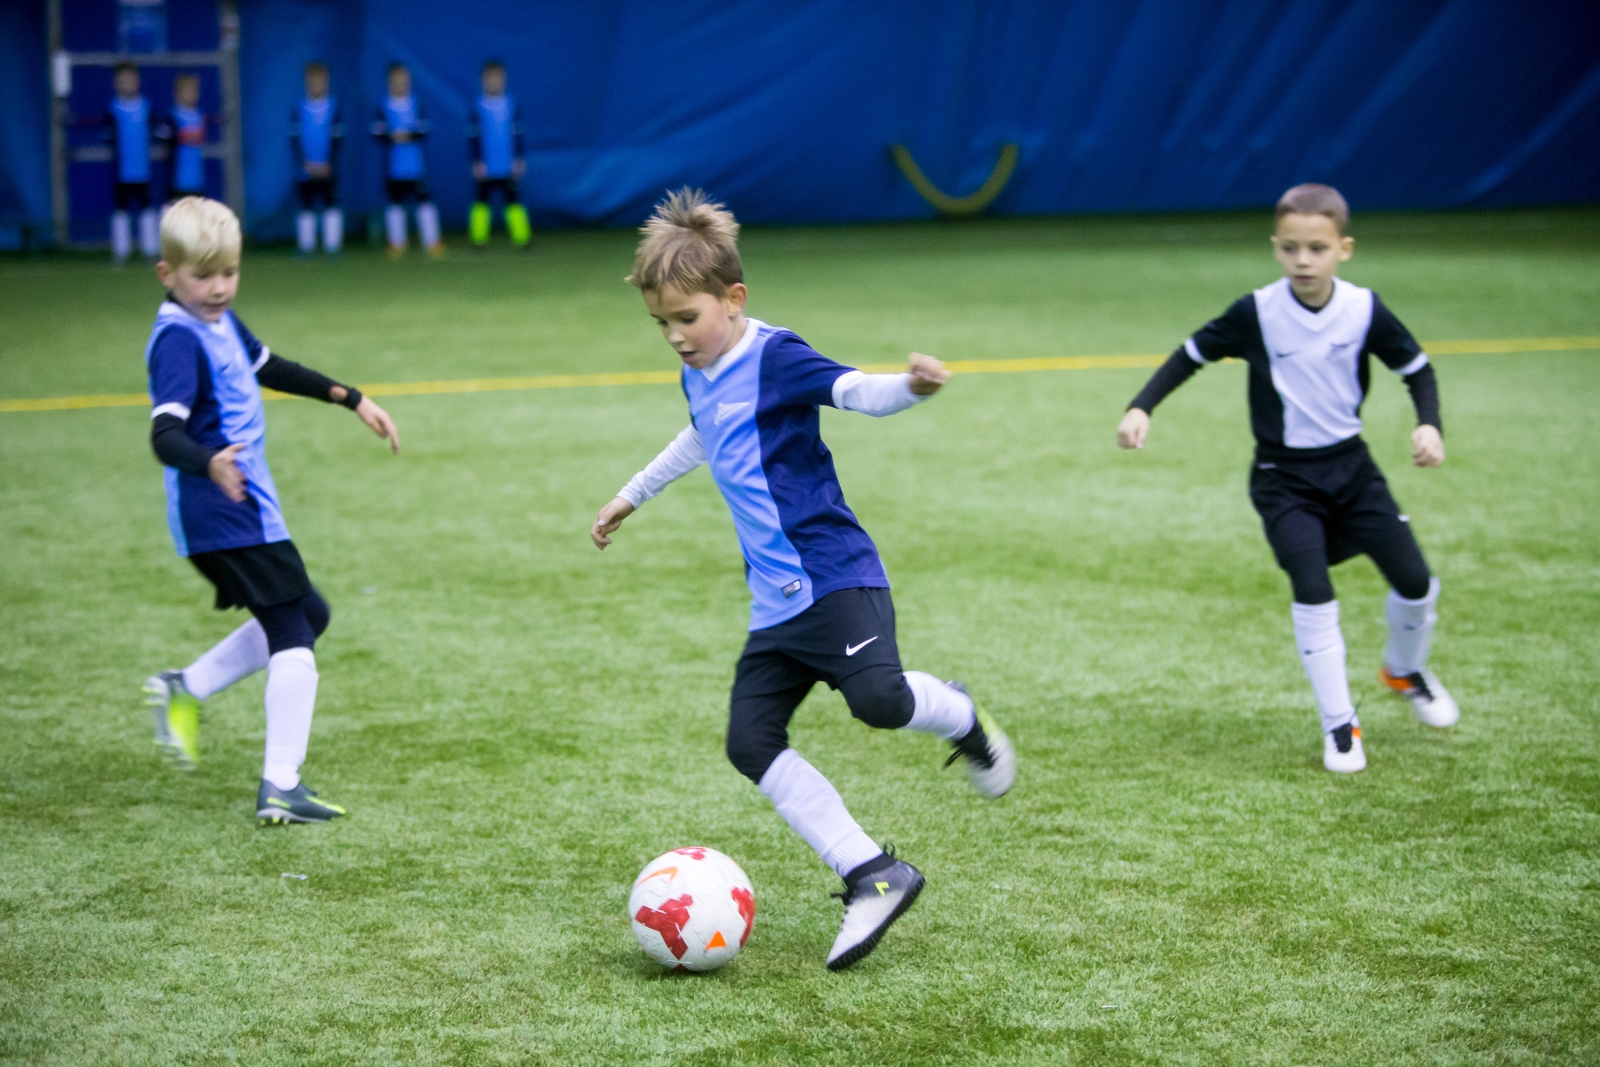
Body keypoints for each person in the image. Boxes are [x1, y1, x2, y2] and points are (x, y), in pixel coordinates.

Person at [590, 189, 1016, 970]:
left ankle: (960, 715)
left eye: (687, 317)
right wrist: (630, 494)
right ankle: (873, 873)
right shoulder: (705, 369)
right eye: (663, 323)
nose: (676, 336)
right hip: (775, 601)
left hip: (834, 572)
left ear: (733, 298)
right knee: (750, 740)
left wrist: (911, 387)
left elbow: (853, 390)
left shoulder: (775, 355)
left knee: (880, 703)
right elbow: (703, 432)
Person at [1116, 183, 1457, 774]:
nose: (1304, 260)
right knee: (1313, 590)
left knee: (1417, 584)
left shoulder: (1364, 309)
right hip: (1282, 480)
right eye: (1292, 248)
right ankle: (1340, 725)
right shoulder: (1256, 312)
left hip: (1354, 472)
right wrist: (1141, 405)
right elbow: (1190, 355)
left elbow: (1417, 368)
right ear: (1276, 248)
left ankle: (1405, 670)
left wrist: (1429, 425)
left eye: (1318, 248)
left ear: (1343, 249)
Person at [140, 197, 400, 824]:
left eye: (228, 272)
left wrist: (351, 398)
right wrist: (212, 463)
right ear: (167, 274)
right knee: (292, 629)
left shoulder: (220, 323)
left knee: (309, 612)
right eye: (203, 276)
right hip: (223, 509)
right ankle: (281, 783)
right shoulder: (178, 340)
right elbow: (164, 435)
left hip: (244, 509)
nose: (219, 287)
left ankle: (186, 687)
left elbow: (270, 367)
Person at [370, 64, 442, 258]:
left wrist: (406, 135)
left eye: (403, 80)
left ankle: (433, 242)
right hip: (393, 168)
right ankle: (397, 243)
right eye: (396, 81)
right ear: (389, 83)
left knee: (425, 203)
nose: (400, 84)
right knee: (395, 204)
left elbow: (423, 130)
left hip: (416, 167)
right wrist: (392, 136)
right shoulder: (383, 106)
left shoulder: (416, 104)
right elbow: (377, 133)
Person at [466, 60, 530, 250]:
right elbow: (473, 136)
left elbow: (518, 134)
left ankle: (522, 239)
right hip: (486, 166)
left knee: (513, 201)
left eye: (498, 77)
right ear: (483, 80)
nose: (495, 81)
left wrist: (519, 158)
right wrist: (476, 161)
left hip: (508, 165)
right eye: (490, 77)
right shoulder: (477, 106)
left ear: (504, 80)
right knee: (481, 201)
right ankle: (478, 240)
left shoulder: (512, 104)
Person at [105, 62, 159, 266]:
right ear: (115, 83)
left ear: (138, 81)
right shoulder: (113, 109)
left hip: (143, 171)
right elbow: (108, 137)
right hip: (121, 172)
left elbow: (156, 133)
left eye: (130, 79)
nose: (127, 84)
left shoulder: (146, 106)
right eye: (122, 80)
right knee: (120, 211)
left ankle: (150, 251)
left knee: (147, 209)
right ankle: (121, 252)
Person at [289, 61, 343, 256]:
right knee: (306, 205)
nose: (317, 84)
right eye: (312, 80)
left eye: (321, 80)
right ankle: (306, 247)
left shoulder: (334, 107)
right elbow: (294, 140)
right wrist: (305, 163)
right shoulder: (299, 108)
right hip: (306, 169)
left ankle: (333, 246)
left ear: (327, 81)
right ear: (306, 82)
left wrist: (329, 163)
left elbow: (338, 139)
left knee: (331, 204)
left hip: (328, 168)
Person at [157, 72, 209, 205]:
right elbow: (163, 141)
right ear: (176, 93)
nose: (191, 94)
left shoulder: (200, 116)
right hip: (176, 181)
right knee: (174, 215)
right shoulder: (172, 117)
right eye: (186, 91)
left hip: (196, 180)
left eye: (194, 90)